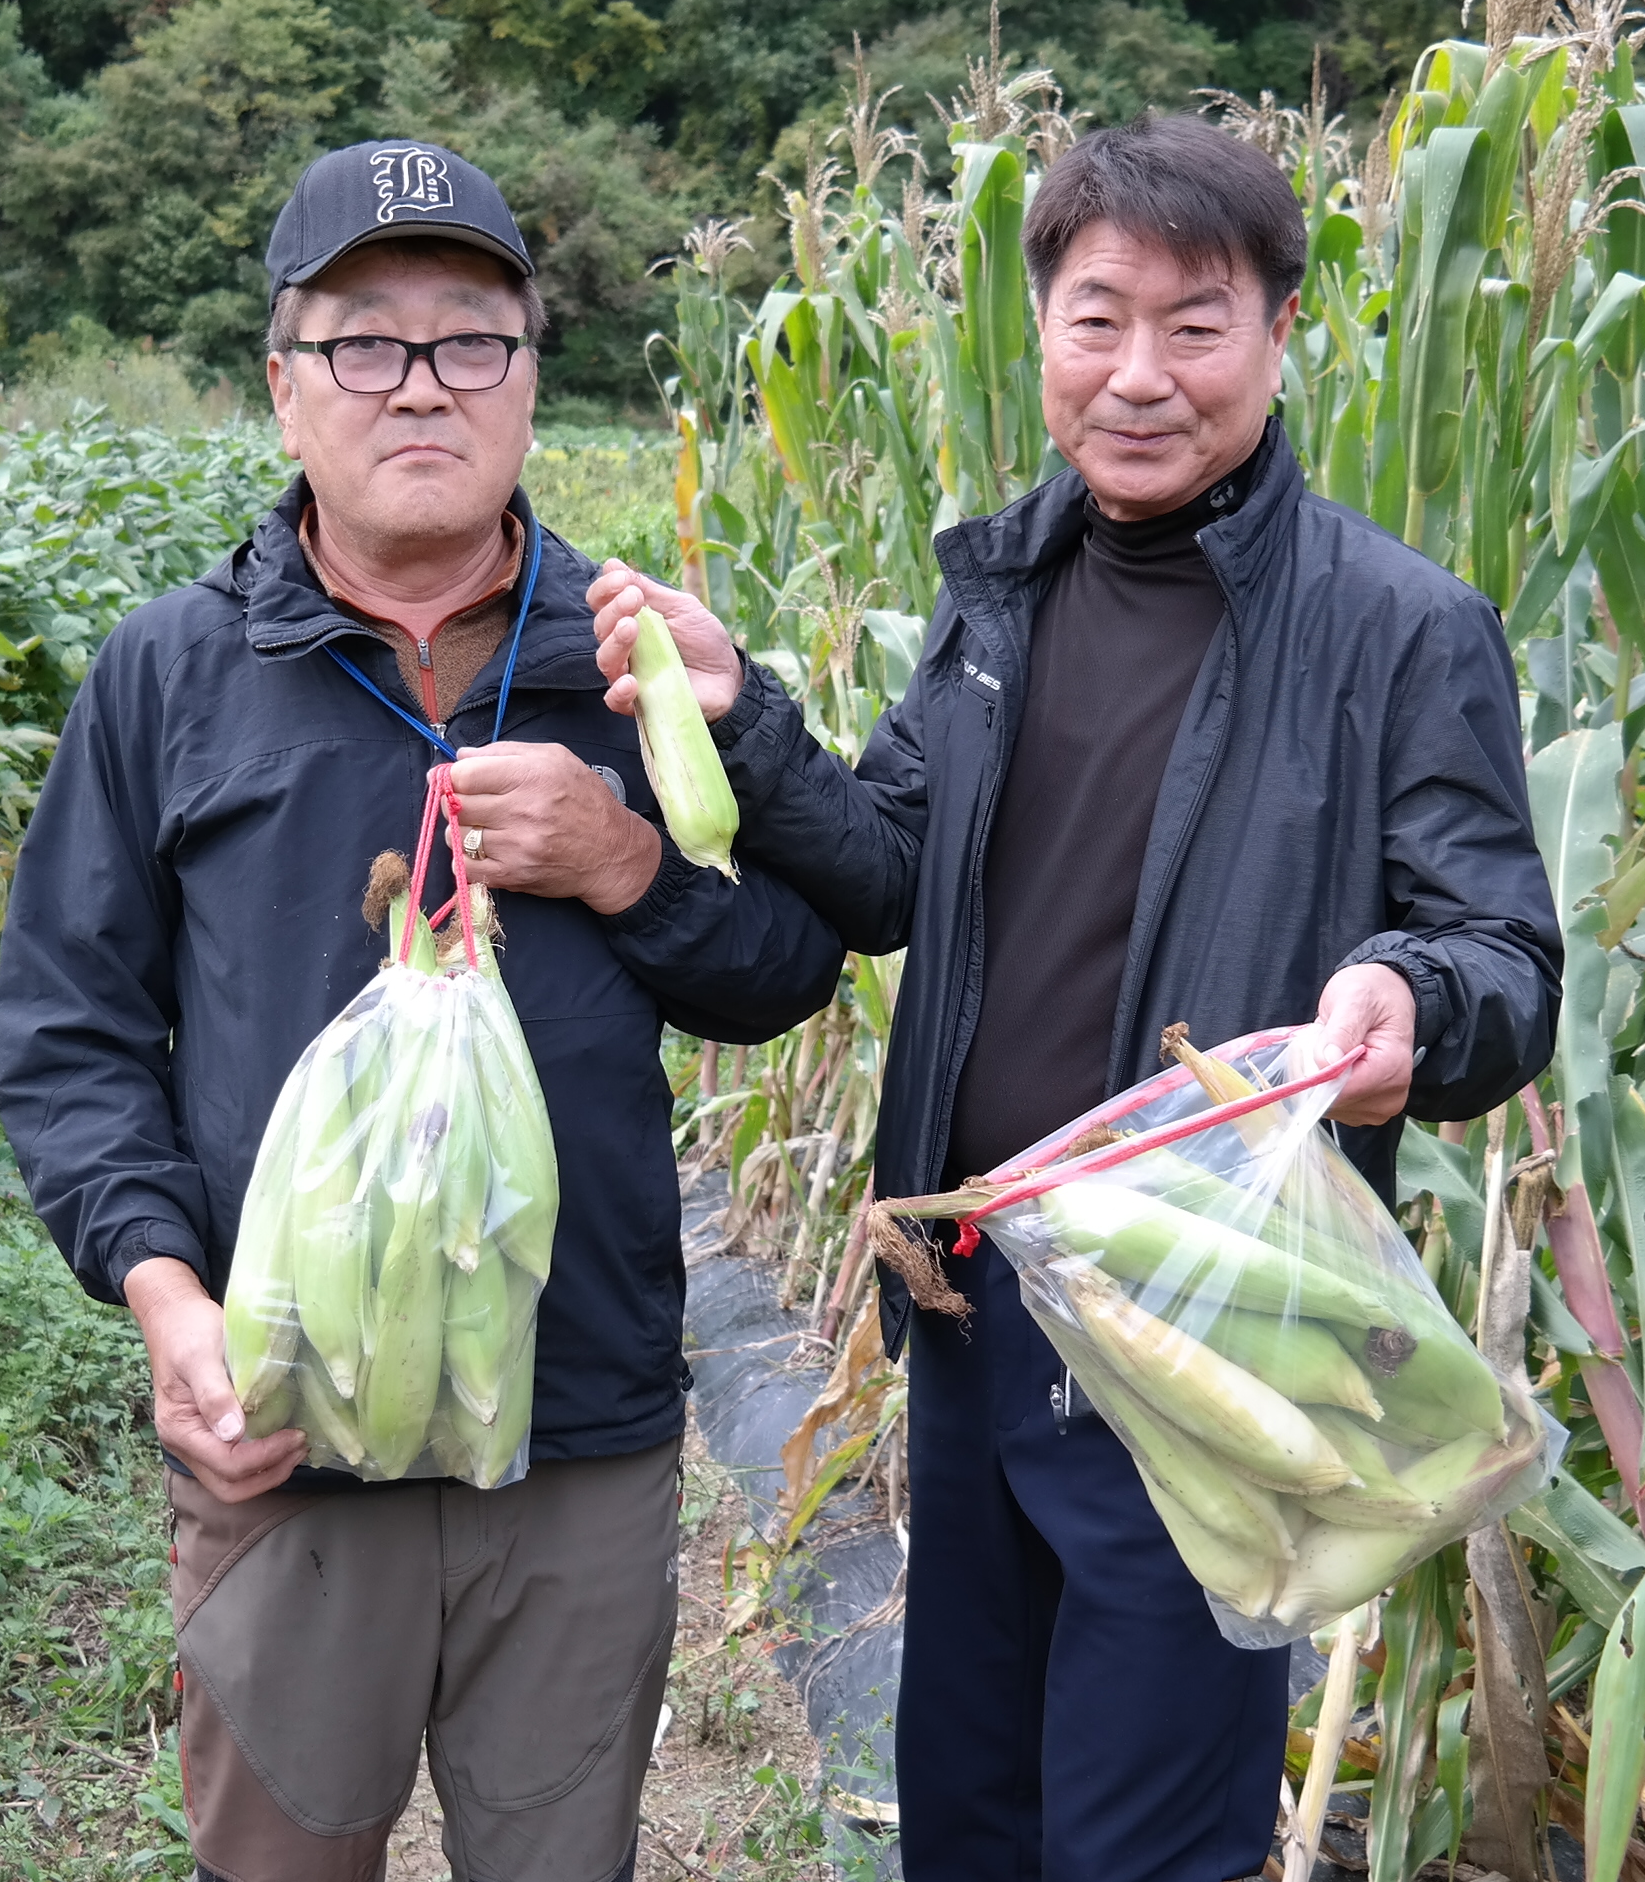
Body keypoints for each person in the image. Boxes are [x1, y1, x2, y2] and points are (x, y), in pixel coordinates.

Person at [589, 113, 1561, 1881]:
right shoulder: (999, 599)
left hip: (1201, 1337)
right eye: (1096, 319)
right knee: (971, 1810)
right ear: (1039, 331)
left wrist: (1407, 997)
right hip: (971, 1302)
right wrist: (741, 713)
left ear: (1279, 336)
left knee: (1140, 1840)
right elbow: (889, 867)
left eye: (1196, 325)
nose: (1140, 376)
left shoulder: (1397, 631)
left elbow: (1504, 958)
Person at [0, 138, 846, 1882]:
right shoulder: (174, 671)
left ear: (535, 382)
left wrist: (625, 864)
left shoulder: (640, 658)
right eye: (364, 344)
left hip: (579, 1425)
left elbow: (785, 975)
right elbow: (73, 1033)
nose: (421, 389)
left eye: (473, 342)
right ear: (283, 388)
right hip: (288, 1430)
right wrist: (167, 1298)